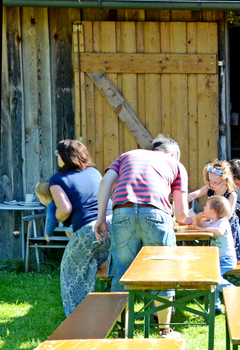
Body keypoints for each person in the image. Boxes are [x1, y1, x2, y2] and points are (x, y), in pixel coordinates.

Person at [94, 134, 189, 340]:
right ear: (173, 154)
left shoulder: (127, 155)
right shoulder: (175, 164)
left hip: (122, 211)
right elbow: (181, 213)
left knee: (121, 271)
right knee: (163, 271)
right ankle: (164, 330)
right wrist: (184, 219)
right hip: (157, 213)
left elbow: (105, 182)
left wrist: (101, 217)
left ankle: (122, 331)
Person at [50, 140, 112, 317]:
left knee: (70, 272)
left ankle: (78, 319)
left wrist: (56, 218)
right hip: (113, 224)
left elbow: (65, 209)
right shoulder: (94, 172)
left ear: (64, 157)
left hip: (88, 230)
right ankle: (112, 309)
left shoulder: (57, 179)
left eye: (58, 153)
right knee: (102, 263)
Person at [185, 160, 240, 262]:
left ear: (225, 180)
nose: (211, 184)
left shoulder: (231, 194)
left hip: (228, 228)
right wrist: (178, 200)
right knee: (215, 255)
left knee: (235, 257)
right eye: (209, 180)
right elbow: (192, 195)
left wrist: (209, 215)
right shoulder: (209, 188)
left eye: (215, 182)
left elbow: (228, 215)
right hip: (213, 226)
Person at [194, 195, 236, 315]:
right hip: (217, 260)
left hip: (226, 259)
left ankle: (233, 291)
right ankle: (216, 306)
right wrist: (199, 220)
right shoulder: (212, 222)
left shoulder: (223, 222)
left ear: (212, 211)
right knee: (212, 276)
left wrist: (205, 230)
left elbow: (220, 231)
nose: (203, 207)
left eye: (206, 206)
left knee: (214, 278)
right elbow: (201, 226)